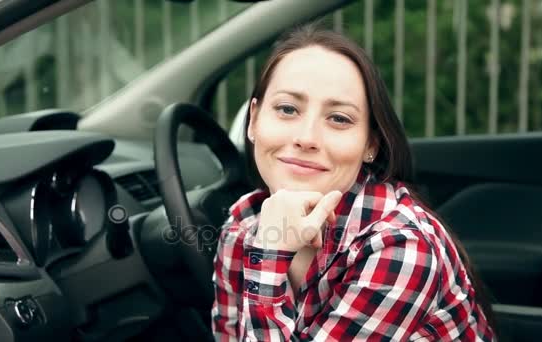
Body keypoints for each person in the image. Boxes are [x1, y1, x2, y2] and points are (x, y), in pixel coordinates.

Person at [212, 24, 495, 341]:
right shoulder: (242, 223)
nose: (307, 138)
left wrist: (269, 254)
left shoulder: (402, 247)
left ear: (370, 145)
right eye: (287, 109)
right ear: (253, 120)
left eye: (339, 118)